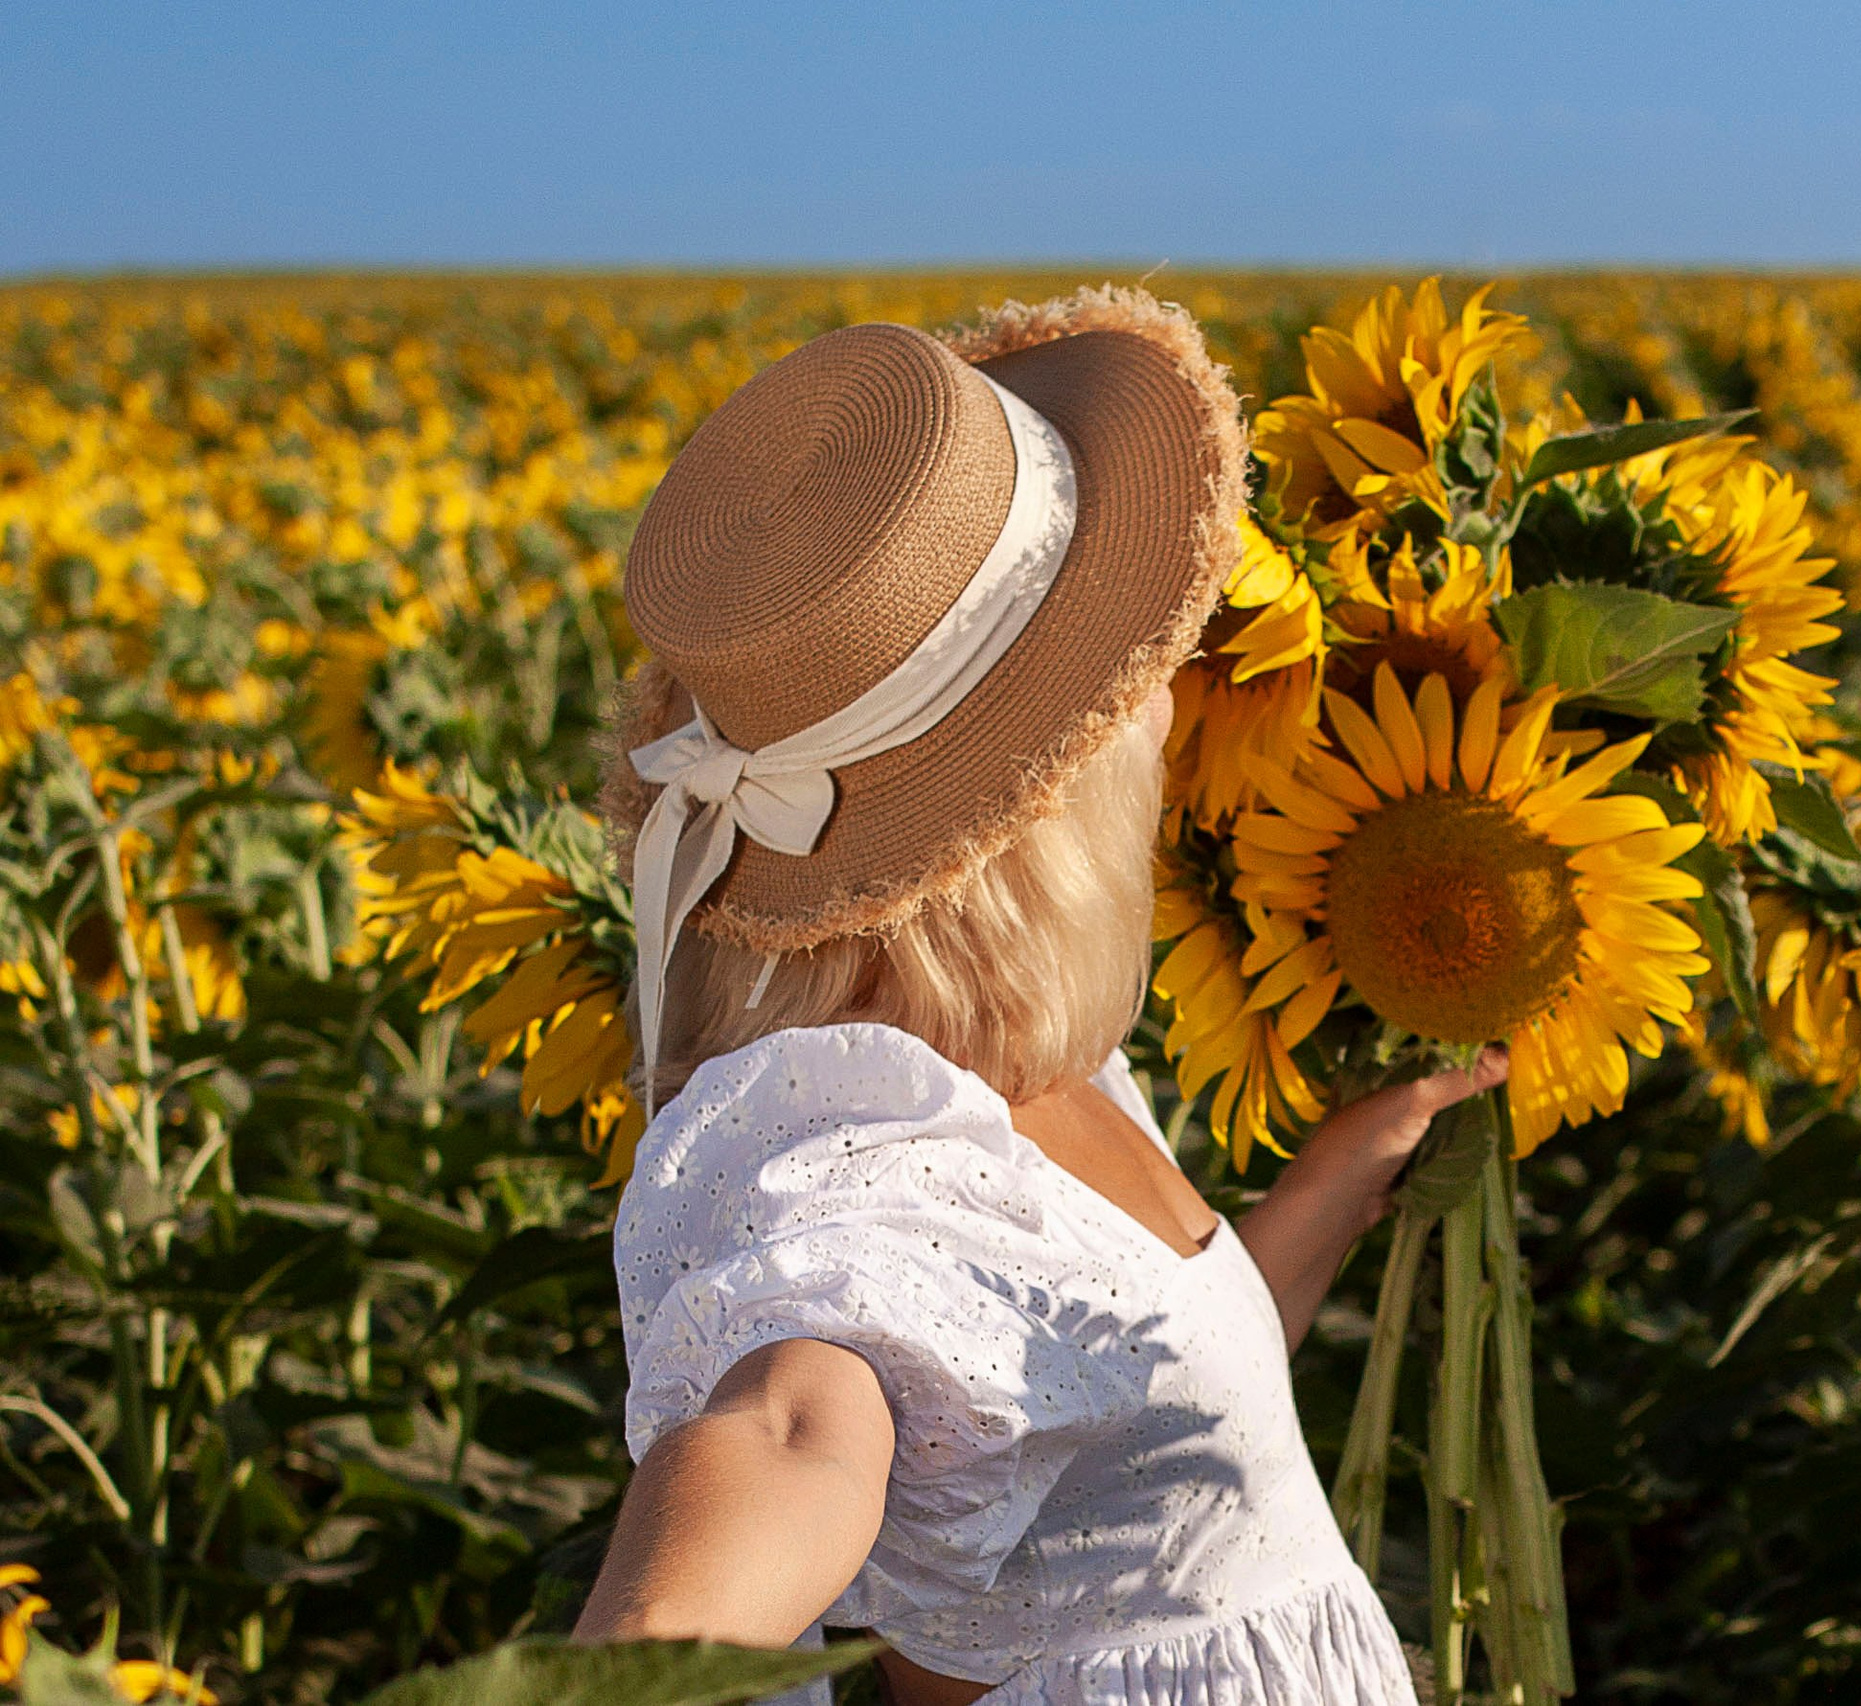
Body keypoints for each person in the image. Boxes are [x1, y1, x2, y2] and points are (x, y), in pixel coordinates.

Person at [570, 286, 1503, 1704]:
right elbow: (786, 1430)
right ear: (1050, 797)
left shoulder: (1030, 1060)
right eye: (1125, 664)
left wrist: (1332, 1185)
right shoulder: (860, 1173)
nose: (1172, 693)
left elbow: (1118, 1410)